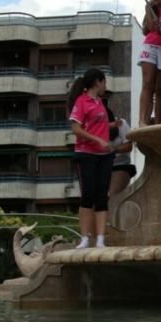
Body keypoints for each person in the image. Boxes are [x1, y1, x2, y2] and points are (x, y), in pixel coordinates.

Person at [67, 67, 114, 249]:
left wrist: (112, 126)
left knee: (102, 196)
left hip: (105, 155)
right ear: (97, 82)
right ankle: (85, 237)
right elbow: (75, 128)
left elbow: (96, 125)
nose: (105, 86)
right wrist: (98, 140)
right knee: (88, 195)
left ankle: (100, 238)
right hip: (86, 153)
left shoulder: (100, 102)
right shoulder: (82, 101)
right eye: (104, 82)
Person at [136, 0, 161, 127]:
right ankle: (143, 119)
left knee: (160, 89)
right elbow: (147, 28)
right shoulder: (151, 10)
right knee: (147, 83)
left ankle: (158, 120)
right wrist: (148, 7)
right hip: (150, 46)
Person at [106, 106, 135, 196]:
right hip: (100, 167)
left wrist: (115, 149)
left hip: (120, 165)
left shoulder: (121, 124)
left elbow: (130, 145)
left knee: (114, 195)